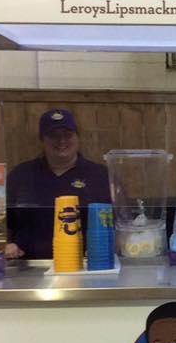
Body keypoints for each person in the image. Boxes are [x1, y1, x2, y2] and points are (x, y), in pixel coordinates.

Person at [6, 108, 111, 260]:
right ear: (42, 139)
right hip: (28, 266)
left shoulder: (100, 175)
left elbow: (117, 222)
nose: (61, 141)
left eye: (67, 135)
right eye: (53, 136)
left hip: (86, 265)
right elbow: (3, 223)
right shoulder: (21, 174)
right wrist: (6, 244)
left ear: (77, 137)